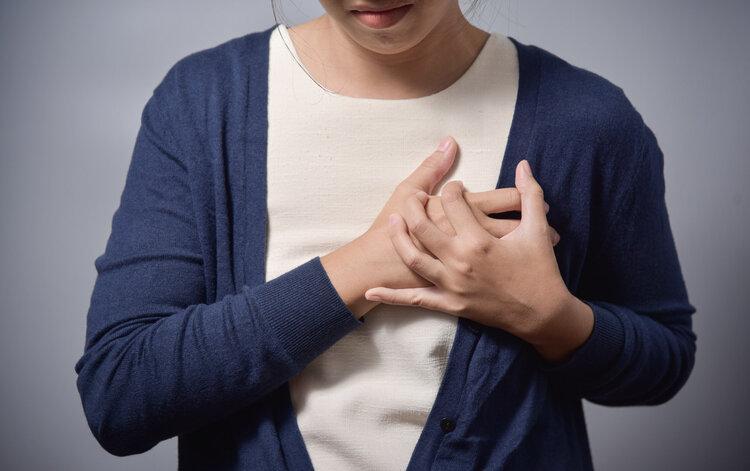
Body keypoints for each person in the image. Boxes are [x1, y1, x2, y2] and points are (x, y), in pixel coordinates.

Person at [74, 1, 697, 469]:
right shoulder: (203, 101)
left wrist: (548, 317)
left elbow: (663, 359)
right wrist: (369, 265)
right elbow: (121, 394)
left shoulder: (588, 119)